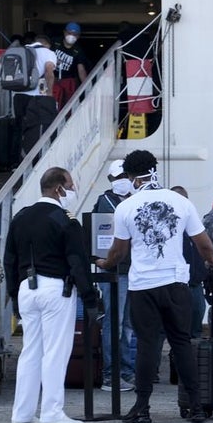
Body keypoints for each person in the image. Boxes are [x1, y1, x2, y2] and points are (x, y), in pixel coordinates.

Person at [97, 150, 213, 423]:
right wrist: (212, 259)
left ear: (131, 177)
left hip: (143, 285)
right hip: (176, 283)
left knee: (147, 345)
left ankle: (142, 408)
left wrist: (104, 262)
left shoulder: (126, 207)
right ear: (155, 170)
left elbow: (118, 253)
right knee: (181, 343)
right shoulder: (179, 201)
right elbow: (202, 243)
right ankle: (196, 406)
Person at [3, 167, 98, 423]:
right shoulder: (65, 219)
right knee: (56, 352)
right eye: (70, 185)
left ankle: (21, 414)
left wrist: (13, 296)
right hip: (56, 290)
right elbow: (77, 261)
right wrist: (90, 299)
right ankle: (52, 412)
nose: (72, 190)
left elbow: (9, 260)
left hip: (26, 290)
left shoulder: (20, 217)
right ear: (58, 188)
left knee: (31, 352)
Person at [93, 159, 137, 393]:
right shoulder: (105, 202)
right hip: (115, 271)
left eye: (125, 177)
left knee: (129, 323)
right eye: (117, 178)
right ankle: (111, 374)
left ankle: (127, 371)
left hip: (134, 270)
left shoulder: (134, 199)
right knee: (115, 322)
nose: (122, 182)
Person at [171, 185, 209, 339]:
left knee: (197, 322)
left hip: (195, 283)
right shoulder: (168, 228)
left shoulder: (193, 224)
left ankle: (195, 359)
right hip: (176, 284)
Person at [17, 34, 58, 157]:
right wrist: (49, 94)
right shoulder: (48, 53)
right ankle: (32, 158)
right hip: (36, 97)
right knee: (34, 128)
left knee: (19, 128)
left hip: (18, 94)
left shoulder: (22, 50)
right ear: (47, 44)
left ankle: (16, 161)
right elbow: (49, 72)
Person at [51, 22, 91, 109]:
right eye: (69, 33)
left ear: (78, 36)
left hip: (68, 81)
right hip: (52, 78)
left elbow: (81, 70)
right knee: (52, 102)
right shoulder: (55, 42)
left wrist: (87, 86)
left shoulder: (78, 50)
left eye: (75, 34)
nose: (72, 36)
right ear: (64, 32)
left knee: (68, 104)